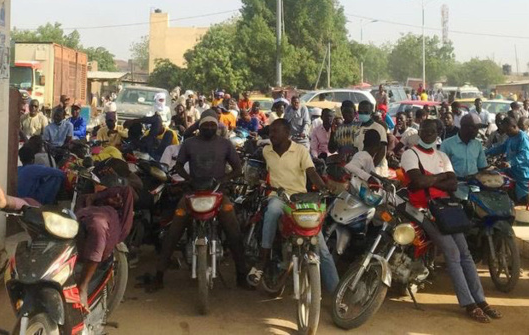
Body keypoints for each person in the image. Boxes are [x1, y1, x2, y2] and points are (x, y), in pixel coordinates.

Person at [401, 119, 502, 323]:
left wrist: (432, 179)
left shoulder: (442, 155)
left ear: (439, 133)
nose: (427, 134)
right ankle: (469, 304)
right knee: (452, 251)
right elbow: (417, 182)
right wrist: (440, 179)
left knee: (465, 253)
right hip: (424, 209)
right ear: (419, 132)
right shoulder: (410, 154)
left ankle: (480, 300)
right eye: (424, 130)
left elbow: (453, 185)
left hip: (446, 208)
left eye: (432, 131)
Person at [148, 115, 250, 291]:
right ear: (199, 127)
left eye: (212, 125)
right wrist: (188, 180)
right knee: (174, 231)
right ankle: (159, 275)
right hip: (193, 193)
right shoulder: (189, 144)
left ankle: (242, 275)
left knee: (233, 230)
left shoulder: (225, 144)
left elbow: (238, 169)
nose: (209, 127)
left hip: (217, 193)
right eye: (206, 125)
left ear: (217, 127)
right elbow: (179, 165)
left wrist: (224, 180)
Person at [247, 119, 339, 294]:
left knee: (321, 246)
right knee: (272, 211)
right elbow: (252, 157)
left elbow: (311, 172)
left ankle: (336, 292)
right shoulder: (266, 151)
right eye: (271, 131)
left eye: (276, 131)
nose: (272, 135)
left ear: (287, 133)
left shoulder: (300, 151)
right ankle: (262, 260)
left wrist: (324, 188)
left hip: (300, 200)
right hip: (278, 196)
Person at [75, 185, 135, 305]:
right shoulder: (95, 204)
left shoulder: (115, 212)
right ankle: (83, 286)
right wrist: (102, 196)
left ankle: (83, 286)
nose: (117, 198)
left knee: (98, 225)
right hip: (88, 218)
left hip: (94, 222)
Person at [486, 117, 529, 203]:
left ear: (514, 126)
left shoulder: (522, 137)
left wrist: (510, 163)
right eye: (505, 131)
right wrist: (486, 152)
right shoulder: (510, 137)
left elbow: (524, 155)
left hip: (524, 173)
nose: (506, 133)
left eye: (508, 130)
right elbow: (502, 147)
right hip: (512, 171)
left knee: (525, 199)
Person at [441, 114, 488, 179]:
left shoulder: (477, 144)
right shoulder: (447, 144)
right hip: (455, 183)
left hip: (474, 183)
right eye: (475, 128)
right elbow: (442, 169)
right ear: (464, 127)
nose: (477, 132)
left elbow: (482, 167)